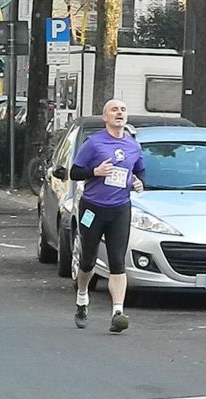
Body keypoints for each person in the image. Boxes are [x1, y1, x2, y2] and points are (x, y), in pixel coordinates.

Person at [69, 99, 145, 333]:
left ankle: (117, 313)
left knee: (117, 261)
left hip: (120, 208)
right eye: (114, 110)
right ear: (105, 117)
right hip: (92, 208)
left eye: (123, 109)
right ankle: (82, 298)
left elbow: (140, 172)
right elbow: (74, 172)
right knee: (88, 260)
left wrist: (138, 182)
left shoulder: (133, 146)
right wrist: (95, 171)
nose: (119, 113)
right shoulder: (94, 143)